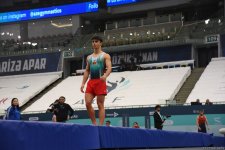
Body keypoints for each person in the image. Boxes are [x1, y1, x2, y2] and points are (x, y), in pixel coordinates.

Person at [80, 35, 112, 126]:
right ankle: (94, 123)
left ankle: (100, 125)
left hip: (100, 81)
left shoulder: (105, 55)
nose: (94, 43)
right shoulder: (89, 57)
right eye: (93, 41)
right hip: (91, 82)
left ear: (100, 43)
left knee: (100, 104)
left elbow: (109, 67)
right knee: (87, 103)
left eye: (96, 41)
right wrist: (83, 83)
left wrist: (105, 75)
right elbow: (87, 70)